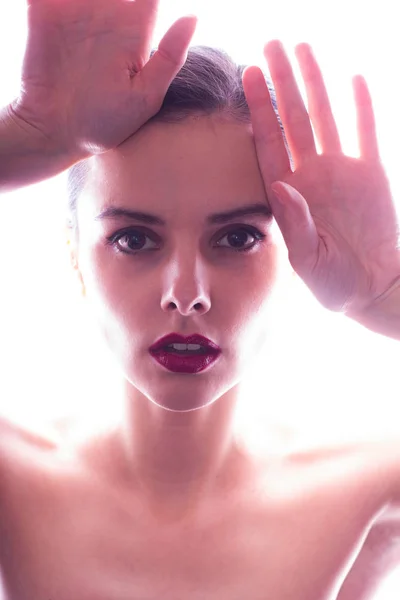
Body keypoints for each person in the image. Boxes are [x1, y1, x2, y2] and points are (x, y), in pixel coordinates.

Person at [0, 1, 400, 599]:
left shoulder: (370, 484)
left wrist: (389, 298)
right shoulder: (10, 477)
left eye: (237, 238)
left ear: (293, 250)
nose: (186, 296)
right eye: (134, 239)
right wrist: (18, 143)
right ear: (75, 256)